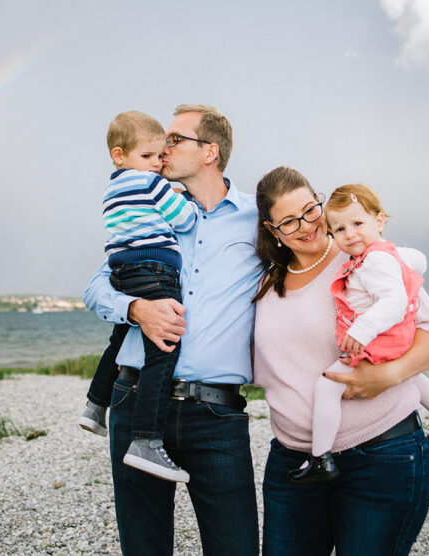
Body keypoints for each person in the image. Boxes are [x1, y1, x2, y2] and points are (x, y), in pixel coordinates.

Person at [83, 104, 264, 555]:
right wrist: (136, 309)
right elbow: (96, 289)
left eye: (175, 140)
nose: (163, 148)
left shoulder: (257, 219)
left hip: (217, 415)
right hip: (135, 400)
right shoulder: (148, 210)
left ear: (210, 152)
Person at [252, 166, 429, 556]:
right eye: (289, 221)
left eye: (310, 211)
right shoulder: (266, 283)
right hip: (293, 463)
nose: (306, 226)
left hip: (380, 457)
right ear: (272, 230)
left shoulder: (364, 258)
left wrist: (387, 376)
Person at [289, 183, 429, 484]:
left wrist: (363, 329)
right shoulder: (387, 253)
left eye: (358, 223)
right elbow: (418, 260)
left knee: (327, 387)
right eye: (340, 229)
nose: (350, 234)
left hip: (378, 338)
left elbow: (394, 301)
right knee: (411, 376)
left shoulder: (374, 261)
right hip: (398, 337)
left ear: (379, 221)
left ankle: (321, 457)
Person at [78, 111, 199, 483]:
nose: (157, 163)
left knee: (120, 337)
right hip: (155, 269)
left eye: (160, 156)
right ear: (119, 155)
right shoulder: (151, 183)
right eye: (148, 156)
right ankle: (146, 440)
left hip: (123, 270)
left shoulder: (112, 188)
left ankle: (95, 405)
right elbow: (185, 220)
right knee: (164, 347)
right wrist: (185, 201)